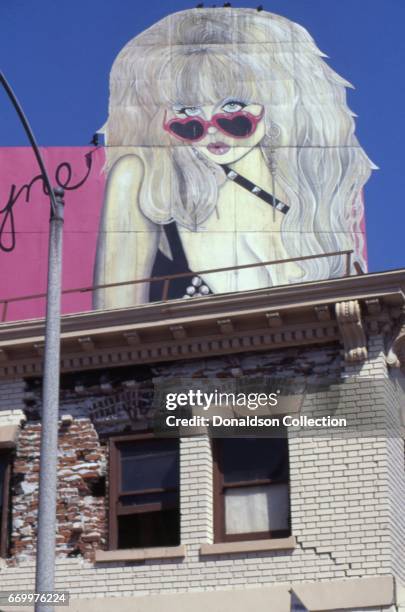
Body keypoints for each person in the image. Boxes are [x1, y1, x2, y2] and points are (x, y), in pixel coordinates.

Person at [93, 7, 374, 309]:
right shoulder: (145, 178)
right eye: (188, 115)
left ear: (280, 105)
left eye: (232, 109)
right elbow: (110, 324)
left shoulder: (318, 202)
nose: (212, 130)